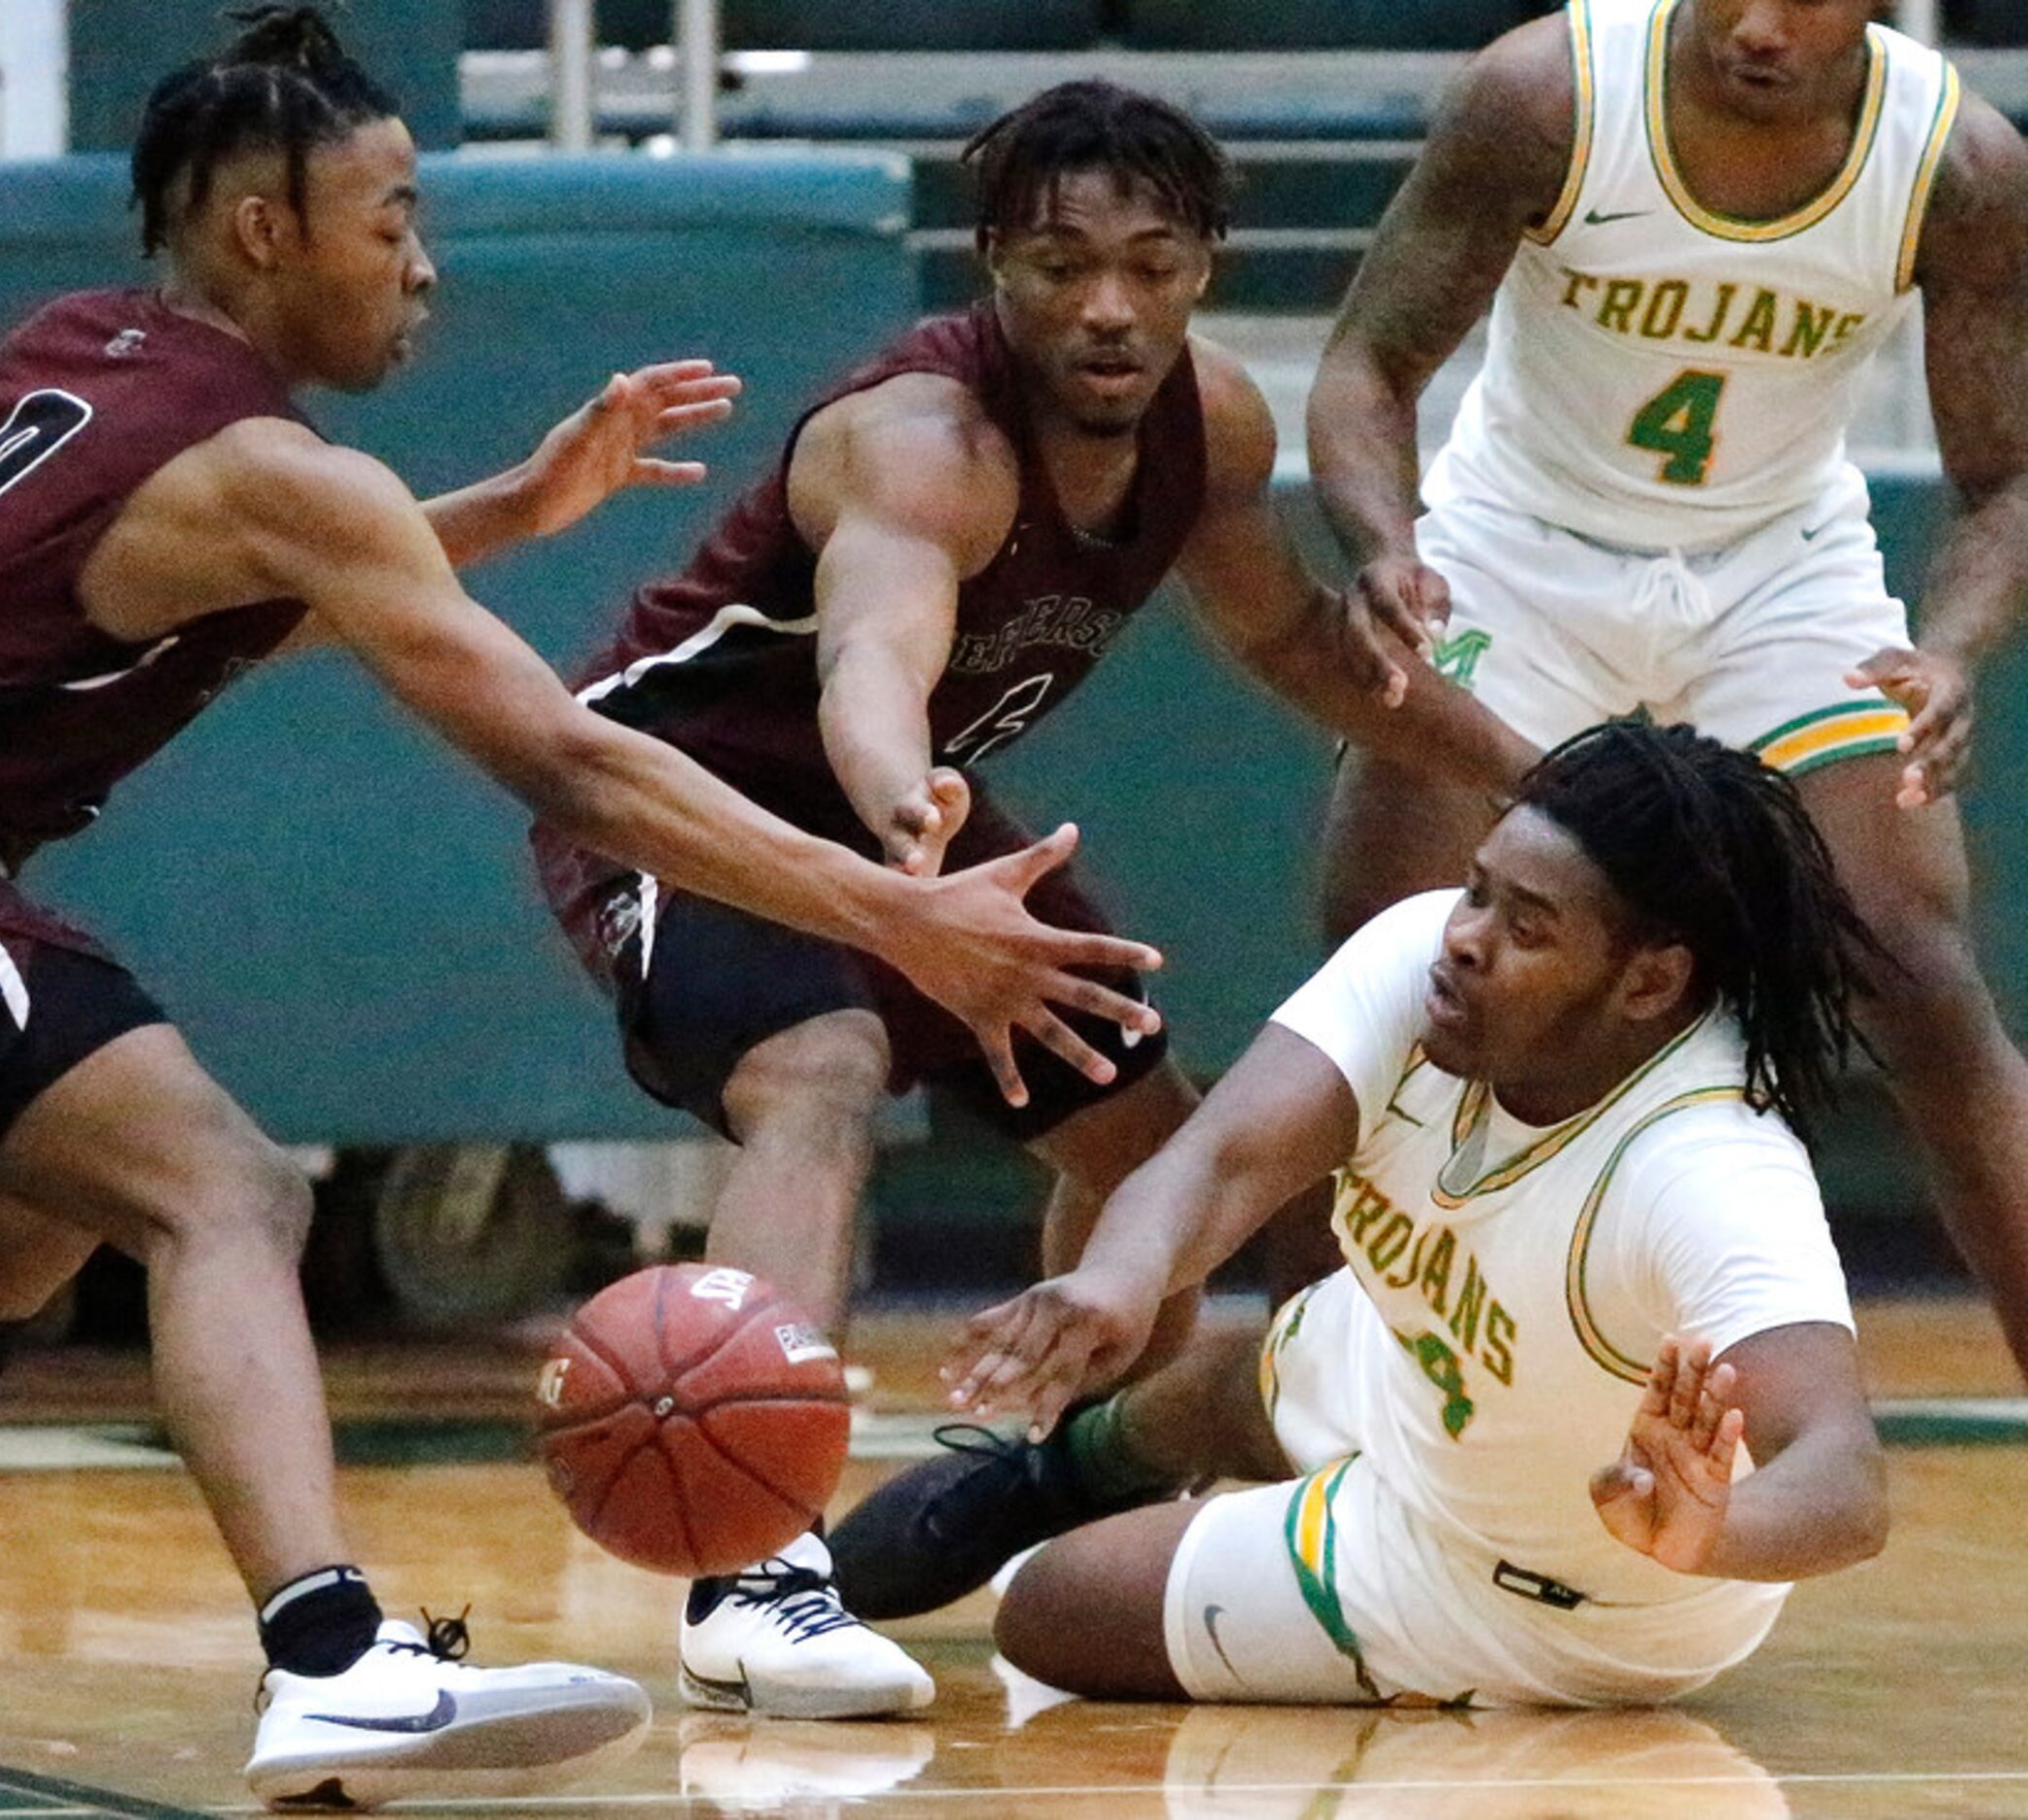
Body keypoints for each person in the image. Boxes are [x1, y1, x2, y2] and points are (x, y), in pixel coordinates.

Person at [0, 11, 1174, 1809]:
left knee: (35, 1220)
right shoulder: (281, 473)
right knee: (226, 1187)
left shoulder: (79, 353)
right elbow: (577, 769)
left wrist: (509, 509)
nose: (423, 265)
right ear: (266, 232)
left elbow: (200, 592)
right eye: (391, 219)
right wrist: (893, 915)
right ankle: (332, 1656)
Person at [532, 78, 1538, 1717]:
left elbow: (1291, 641)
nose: (1109, 305)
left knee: (1163, 1159)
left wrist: (1530, 769)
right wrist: (898, 817)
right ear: (994, 262)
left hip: (918, 821)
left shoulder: (1213, 425)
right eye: (1063, 263)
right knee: (818, 1065)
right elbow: (875, 657)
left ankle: (1042, 1475)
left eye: (1151, 262)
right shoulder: (922, 442)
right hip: (692, 789)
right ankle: (752, 1570)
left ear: (1207, 263)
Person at [1305, 0, 2028, 1379]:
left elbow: (2005, 478)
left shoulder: (1958, 163)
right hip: (1516, 548)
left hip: (1778, 563)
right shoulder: (1550, 92)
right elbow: (1366, 366)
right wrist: (1384, 546)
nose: (1759, 27)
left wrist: (1952, 647)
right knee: (1388, 976)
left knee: (1919, 974)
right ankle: (1298, 1421)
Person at [945, 720, 1889, 1710]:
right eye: (1478, 888)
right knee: (1226, 1381)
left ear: (1648, 982)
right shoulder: (1429, 960)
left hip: (1526, 1590)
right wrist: (1117, 1280)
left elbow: (1843, 1474)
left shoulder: (1705, 1171)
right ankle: (1079, 1465)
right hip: (1418, 1360)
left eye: (1525, 928)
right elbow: (1221, 1162)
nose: (1467, 937)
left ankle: (1240, 1518)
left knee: (1046, 1607)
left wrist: (1709, 1531)